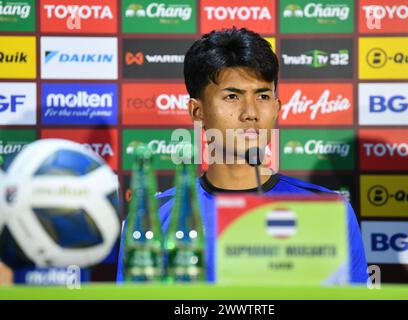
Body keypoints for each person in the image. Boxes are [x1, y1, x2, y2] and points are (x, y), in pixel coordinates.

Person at [117, 27, 368, 283]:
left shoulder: (330, 213)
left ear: (277, 107)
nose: (250, 112)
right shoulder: (153, 219)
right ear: (197, 112)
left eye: (262, 96)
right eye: (232, 96)